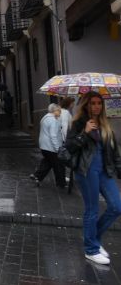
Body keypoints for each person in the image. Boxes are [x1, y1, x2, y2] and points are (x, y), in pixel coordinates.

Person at [65, 92, 121, 265]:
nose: (96, 106)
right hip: (86, 170)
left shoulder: (105, 124)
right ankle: (91, 250)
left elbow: (113, 151)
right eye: (92, 103)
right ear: (85, 105)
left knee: (116, 206)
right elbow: (70, 147)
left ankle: (93, 239)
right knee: (92, 209)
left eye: (99, 103)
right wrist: (85, 133)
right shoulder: (77, 123)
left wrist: (119, 169)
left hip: (105, 170)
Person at [30, 104, 65, 188]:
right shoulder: (53, 120)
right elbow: (53, 135)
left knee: (48, 162)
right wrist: (58, 148)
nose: (60, 113)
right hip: (51, 147)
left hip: (44, 146)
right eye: (59, 111)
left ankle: (37, 175)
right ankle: (61, 183)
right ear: (54, 111)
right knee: (58, 165)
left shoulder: (44, 118)